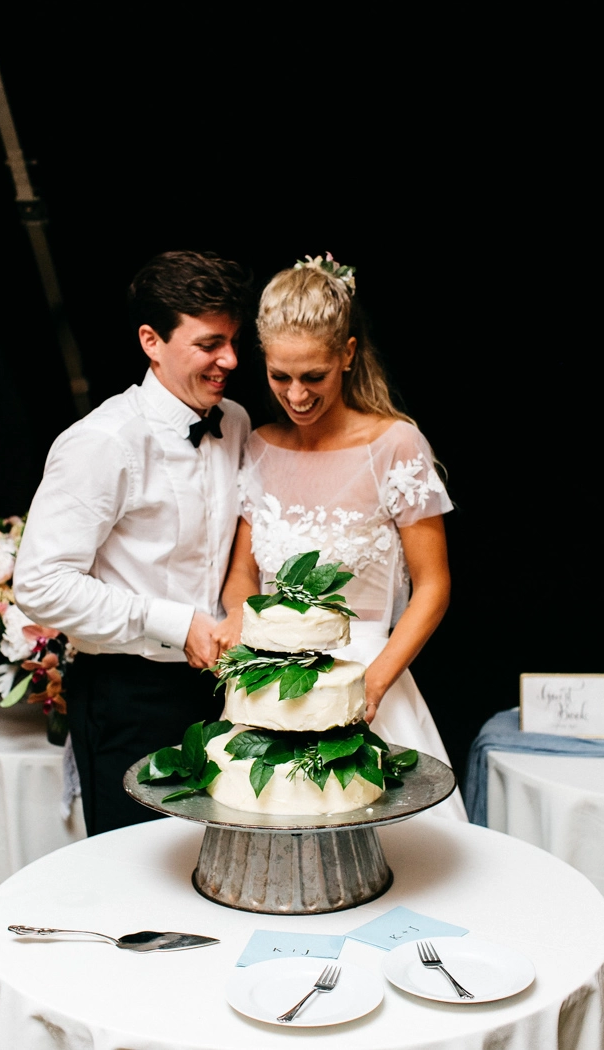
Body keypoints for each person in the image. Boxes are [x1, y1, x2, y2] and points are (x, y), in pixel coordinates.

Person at [213, 256, 468, 820]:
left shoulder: (396, 445)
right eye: (280, 377)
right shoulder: (258, 445)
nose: (296, 395)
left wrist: (370, 686)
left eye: (313, 377)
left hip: (367, 677)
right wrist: (238, 618)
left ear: (347, 355)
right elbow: (242, 575)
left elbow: (434, 586)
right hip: (271, 688)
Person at [14, 250, 252, 835]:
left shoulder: (237, 421)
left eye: (234, 341)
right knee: (138, 887)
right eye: (209, 344)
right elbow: (40, 585)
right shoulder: (102, 441)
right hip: (129, 697)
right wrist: (175, 621)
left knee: (217, 872)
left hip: (222, 693)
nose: (231, 360)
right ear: (151, 340)